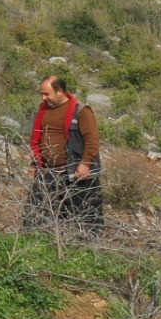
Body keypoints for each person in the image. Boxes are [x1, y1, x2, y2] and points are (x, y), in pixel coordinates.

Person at [24, 74, 104, 236]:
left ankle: (87, 250)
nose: (43, 97)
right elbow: (37, 140)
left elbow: (92, 140)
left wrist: (85, 163)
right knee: (35, 213)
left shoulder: (81, 111)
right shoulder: (43, 111)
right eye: (42, 94)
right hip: (48, 172)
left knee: (85, 216)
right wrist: (35, 163)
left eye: (47, 94)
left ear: (60, 91)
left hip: (75, 173)